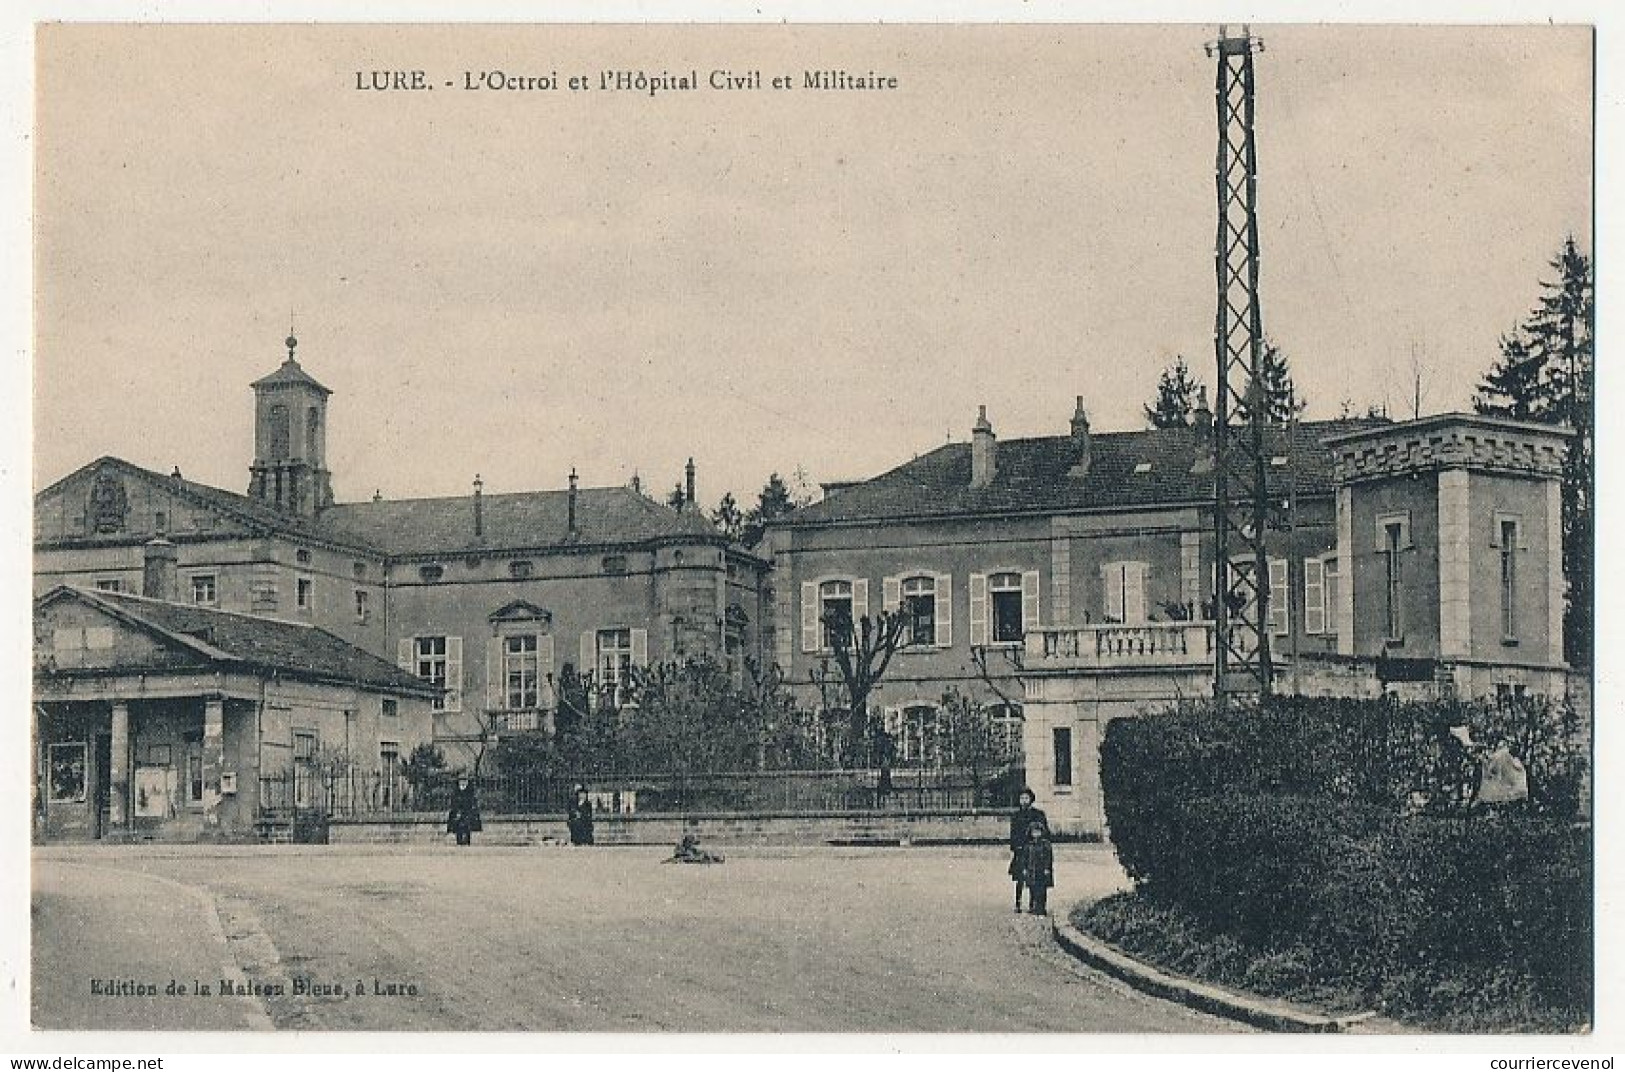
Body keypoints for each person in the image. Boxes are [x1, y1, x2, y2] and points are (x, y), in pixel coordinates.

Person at [1008, 787, 1048, 912]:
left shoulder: (1038, 814)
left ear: (1031, 799)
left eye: (1026, 798)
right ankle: (1018, 903)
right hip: (1021, 850)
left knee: (1034, 877)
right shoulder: (1016, 816)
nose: (1024, 801)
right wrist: (1015, 847)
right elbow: (1013, 834)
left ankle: (1033, 903)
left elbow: (1044, 831)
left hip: (1034, 850)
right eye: (1022, 798)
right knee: (1019, 878)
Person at [1023, 822, 1055, 915]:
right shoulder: (1028, 845)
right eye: (1034, 832)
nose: (1036, 834)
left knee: (1041, 889)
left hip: (1041, 870)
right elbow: (1025, 858)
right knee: (1032, 889)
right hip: (1032, 870)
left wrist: (1047, 868)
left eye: (1038, 831)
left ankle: (1041, 907)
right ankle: (1033, 906)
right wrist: (1024, 868)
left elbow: (1049, 857)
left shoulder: (1046, 844)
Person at [446, 775, 481, 847]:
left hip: (467, 810)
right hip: (457, 811)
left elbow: (473, 801)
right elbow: (453, 801)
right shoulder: (455, 791)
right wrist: (456, 810)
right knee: (458, 826)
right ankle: (459, 841)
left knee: (467, 826)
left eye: (465, 780)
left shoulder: (470, 791)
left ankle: (467, 841)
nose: (463, 782)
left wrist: (472, 809)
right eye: (461, 780)